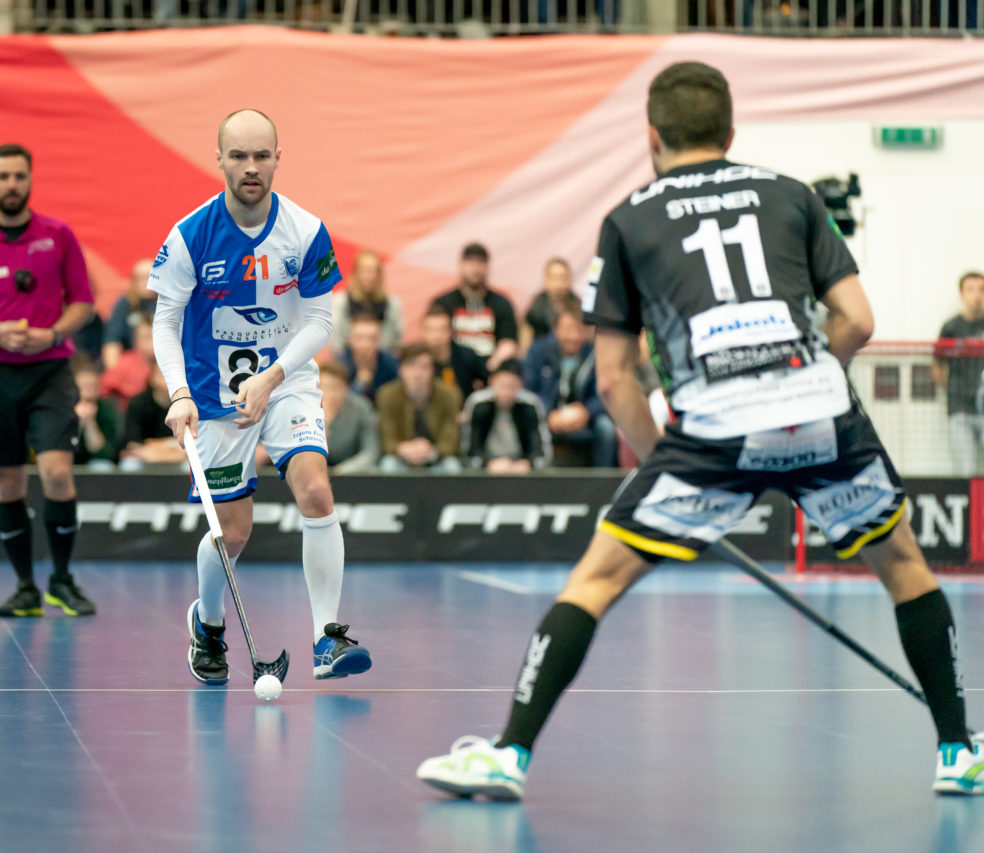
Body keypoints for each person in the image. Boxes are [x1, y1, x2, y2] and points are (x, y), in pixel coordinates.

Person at [419, 61, 983, 799]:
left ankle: (508, 754)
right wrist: (813, 384)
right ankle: (957, 751)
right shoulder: (793, 196)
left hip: (712, 428)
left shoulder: (627, 219)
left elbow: (616, 377)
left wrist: (665, 467)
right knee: (905, 565)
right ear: (731, 132)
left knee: (595, 579)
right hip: (821, 411)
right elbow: (859, 321)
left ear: (651, 135)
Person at [151, 108, 371, 686]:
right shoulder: (189, 236)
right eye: (240, 156)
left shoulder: (304, 231)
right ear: (219, 158)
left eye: (262, 156)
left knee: (317, 492)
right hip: (212, 396)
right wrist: (178, 394)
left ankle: (328, 639)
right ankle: (209, 624)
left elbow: (321, 320)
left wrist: (273, 376)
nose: (251, 167)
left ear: (278, 158)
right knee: (234, 532)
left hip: (285, 380)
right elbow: (164, 321)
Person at [0, 142, 96, 619]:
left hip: (49, 372)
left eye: (19, 177)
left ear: (30, 180)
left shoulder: (59, 235)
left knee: (56, 473)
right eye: (3, 177)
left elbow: (83, 302)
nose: (11, 185)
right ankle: (26, 588)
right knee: (7, 484)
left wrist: (51, 333)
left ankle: (62, 581)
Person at [524, 304, 619, 467]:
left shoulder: (596, 354)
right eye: (567, 329)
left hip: (585, 416)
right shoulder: (539, 351)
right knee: (528, 422)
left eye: (579, 329)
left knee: (606, 428)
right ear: (556, 330)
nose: (573, 336)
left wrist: (586, 412)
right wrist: (548, 414)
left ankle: (603, 481)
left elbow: (607, 392)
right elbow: (530, 389)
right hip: (547, 415)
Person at [431, 242, 519, 372]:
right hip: (452, 370)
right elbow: (433, 338)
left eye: (480, 263)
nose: (475, 268)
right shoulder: (444, 302)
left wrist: (489, 368)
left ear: (488, 267)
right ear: (460, 265)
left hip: (491, 371)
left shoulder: (501, 303)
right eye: (470, 262)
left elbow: (509, 343)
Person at [375, 343, 462, 473]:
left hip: (436, 456)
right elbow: (386, 437)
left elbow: (452, 438)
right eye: (411, 366)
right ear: (401, 369)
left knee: (452, 467)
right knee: (388, 465)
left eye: (424, 367)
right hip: (401, 455)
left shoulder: (449, 395)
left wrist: (432, 451)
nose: (417, 373)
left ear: (432, 370)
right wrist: (403, 449)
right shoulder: (387, 395)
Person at [932, 271, 984, 476]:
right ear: (961, 294)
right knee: (965, 473)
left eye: (981, 290)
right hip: (959, 408)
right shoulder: (951, 327)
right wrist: (953, 391)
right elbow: (938, 366)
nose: (977, 295)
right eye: (971, 290)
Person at [463, 360, 547, 474]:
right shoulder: (478, 404)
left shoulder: (530, 405)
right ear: (492, 381)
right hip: (486, 469)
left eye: (511, 386)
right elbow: (469, 448)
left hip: (522, 468)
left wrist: (529, 464)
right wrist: (487, 464)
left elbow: (540, 449)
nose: (506, 391)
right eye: (502, 385)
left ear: (520, 385)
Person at [329, 249, 404, 354]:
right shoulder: (341, 302)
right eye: (365, 271)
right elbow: (336, 341)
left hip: (383, 360)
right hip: (348, 360)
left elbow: (396, 341)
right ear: (355, 273)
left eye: (373, 271)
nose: (369, 276)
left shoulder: (392, 304)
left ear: (379, 275)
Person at [117, 362, 187, 471]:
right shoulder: (138, 403)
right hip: (144, 458)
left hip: (176, 458)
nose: (169, 379)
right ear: (152, 378)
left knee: (190, 467)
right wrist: (171, 445)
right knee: (129, 465)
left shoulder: (187, 403)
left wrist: (154, 450)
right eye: (163, 374)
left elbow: (189, 448)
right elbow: (133, 445)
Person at [318, 360, 379, 473]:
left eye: (335, 387)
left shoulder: (361, 407)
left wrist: (339, 472)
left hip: (351, 472)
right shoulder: (305, 410)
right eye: (323, 387)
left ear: (346, 388)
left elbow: (371, 452)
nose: (328, 393)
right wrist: (324, 426)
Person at [420, 303, 488, 402]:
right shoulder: (417, 361)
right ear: (423, 331)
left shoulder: (467, 357)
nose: (436, 336)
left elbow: (488, 380)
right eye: (431, 330)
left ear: (451, 331)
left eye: (442, 330)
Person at [102, 258, 157, 371]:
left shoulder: (170, 302)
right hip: (134, 361)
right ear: (134, 281)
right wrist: (115, 373)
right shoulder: (125, 304)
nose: (147, 281)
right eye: (141, 278)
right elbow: (112, 340)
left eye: (151, 276)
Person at [338, 313, 399, 403]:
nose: (365, 345)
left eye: (372, 338)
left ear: (379, 341)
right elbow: (339, 402)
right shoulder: (341, 364)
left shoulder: (391, 364)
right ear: (350, 340)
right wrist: (360, 383)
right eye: (359, 338)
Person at [72, 359, 119, 471]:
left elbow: (106, 455)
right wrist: (77, 423)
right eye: (84, 386)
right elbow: (66, 450)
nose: (88, 392)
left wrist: (90, 423)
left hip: (96, 463)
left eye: (93, 387)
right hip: (69, 463)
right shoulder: (63, 409)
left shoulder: (106, 409)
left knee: (102, 467)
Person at [519, 257, 573, 353]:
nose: (559, 283)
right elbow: (525, 346)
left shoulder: (579, 308)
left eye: (563, 278)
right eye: (555, 278)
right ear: (546, 280)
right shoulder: (534, 311)